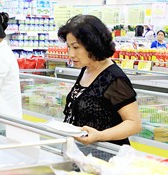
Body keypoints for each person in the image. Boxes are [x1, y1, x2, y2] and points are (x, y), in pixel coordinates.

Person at [58, 15, 142, 145]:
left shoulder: (114, 78)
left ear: (93, 45)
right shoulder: (87, 69)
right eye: (68, 47)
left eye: (76, 47)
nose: (71, 54)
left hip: (108, 155)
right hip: (84, 153)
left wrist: (99, 135)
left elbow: (134, 123)